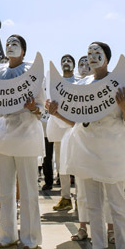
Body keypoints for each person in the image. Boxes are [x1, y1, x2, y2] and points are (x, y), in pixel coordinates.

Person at [50, 42, 125, 249]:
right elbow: (76, 121)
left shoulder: (121, 83)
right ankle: (98, 246)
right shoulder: (82, 85)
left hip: (112, 150)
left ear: (107, 58)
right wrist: (57, 112)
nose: (92, 57)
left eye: (97, 53)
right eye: (89, 53)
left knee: (117, 203)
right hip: (87, 149)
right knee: (93, 203)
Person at [0, 34, 45, 249]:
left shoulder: (32, 73)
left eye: (15, 44)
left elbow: (42, 107)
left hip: (25, 132)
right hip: (3, 133)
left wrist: (34, 107)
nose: (10, 46)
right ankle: (7, 235)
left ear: (24, 51)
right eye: (8, 44)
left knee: (28, 189)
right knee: (5, 190)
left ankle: (30, 237)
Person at [44, 54, 77, 211]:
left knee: (78, 162)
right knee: (60, 163)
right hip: (58, 127)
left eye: (68, 61)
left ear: (73, 65)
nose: (65, 63)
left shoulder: (78, 82)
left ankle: (81, 197)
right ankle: (65, 197)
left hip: (74, 127)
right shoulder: (53, 83)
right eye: (63, 60)